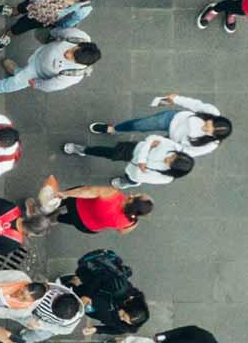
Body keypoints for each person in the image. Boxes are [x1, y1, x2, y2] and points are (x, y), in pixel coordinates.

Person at [90, 94, 228, 160]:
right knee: (140, 124)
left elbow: (188, 151)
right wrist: (177, 99)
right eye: (206, 125)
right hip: (173, 119)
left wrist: (165, 144)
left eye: (208, 132)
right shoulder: (212, 112)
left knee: (142, 150)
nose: (204, 129)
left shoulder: (210, 145)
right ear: (213, 119)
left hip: (174, 141)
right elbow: (196, 105)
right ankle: (115, 129)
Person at [0, 27, 97, 95]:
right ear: (80, 45)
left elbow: (53, 85)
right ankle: (17, 70)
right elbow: (60, 31)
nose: (67, 54)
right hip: (39, 55)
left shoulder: (74, 75)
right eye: (73, 49)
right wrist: (50, 35)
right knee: (22, 73)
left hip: (36, 73)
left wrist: (37, 84)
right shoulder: (79, 36)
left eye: (72, 58)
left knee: (16, 82)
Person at [60, 133, 195, 189]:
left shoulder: (166, 178)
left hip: (134, 171)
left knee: (131, 178)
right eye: (171, 157)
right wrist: (142, 161)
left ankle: (127, 183)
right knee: (109, 152)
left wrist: (148, 150)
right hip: (135, 150)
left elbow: (139, 175)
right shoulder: (174, 147)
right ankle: (85, 150)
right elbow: (152, 138)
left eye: (169, 163)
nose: (167, 159)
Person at [29, 178, 150, 237]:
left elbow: (87, 191)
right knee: (64, 219)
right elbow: (122, 231)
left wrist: (65, 194)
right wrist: (135, 221)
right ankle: (48, 221)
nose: (133, 194)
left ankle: (40, 211)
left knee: (58, 202)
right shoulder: (130, 222)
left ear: (132, 199)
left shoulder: (112, 194)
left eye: (136, 195)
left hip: (76, 204)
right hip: (86, 226)